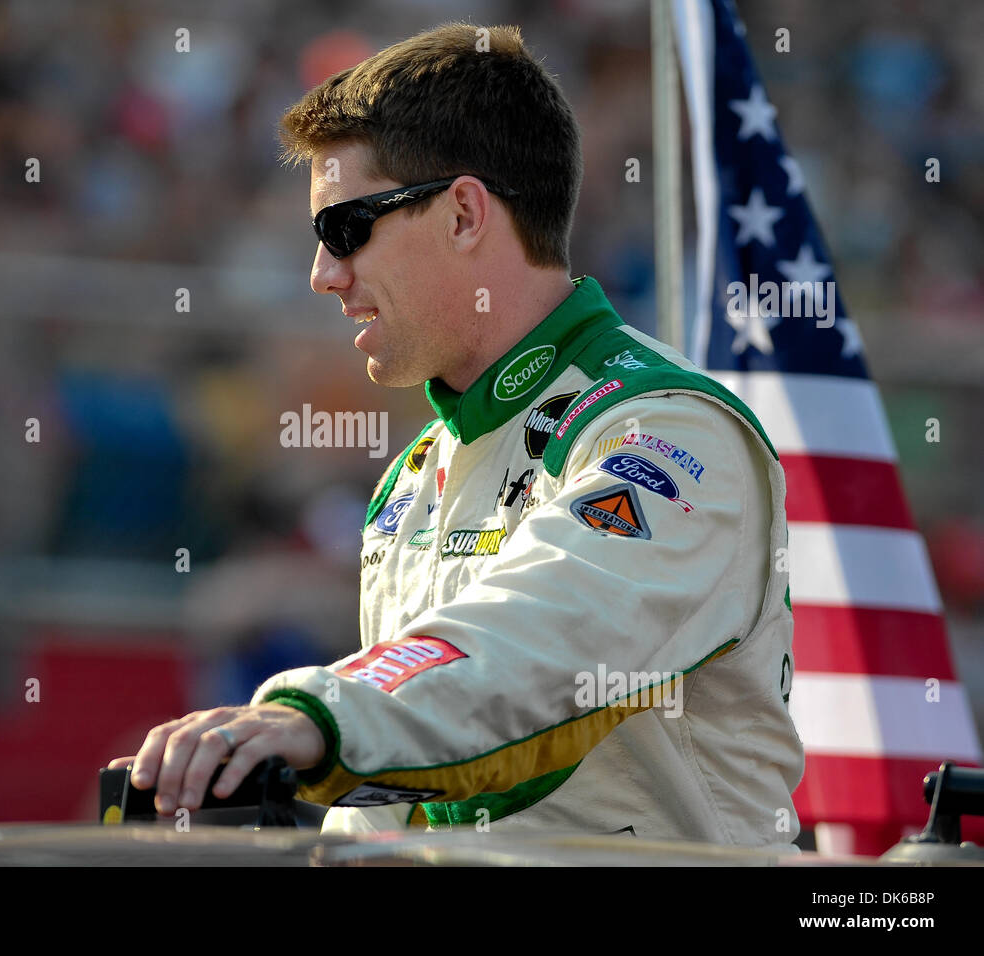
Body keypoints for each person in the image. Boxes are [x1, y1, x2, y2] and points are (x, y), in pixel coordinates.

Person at [109, 22, 804, 846]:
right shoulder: (413, 477)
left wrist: (316, 718)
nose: (323, 274)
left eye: (344, 229)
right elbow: (421, 777)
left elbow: (542, 645)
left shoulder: (668, 431)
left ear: (466, 213)